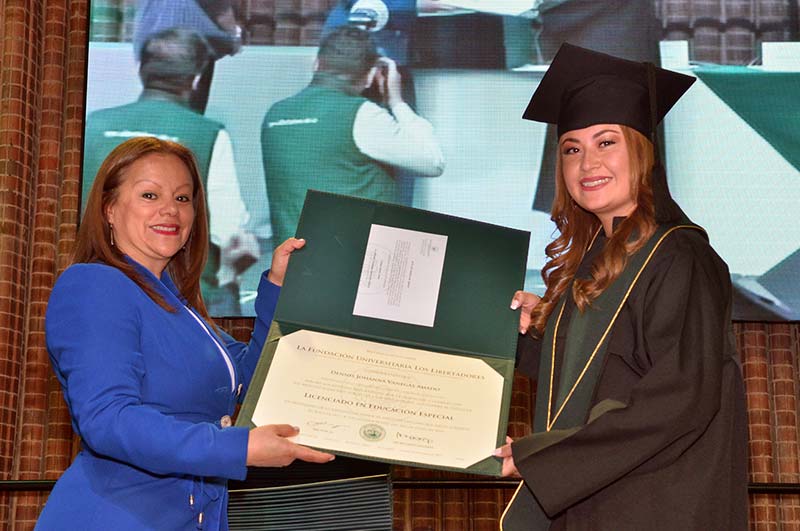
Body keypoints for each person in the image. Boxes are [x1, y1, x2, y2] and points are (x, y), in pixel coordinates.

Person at [494, 43, 748, 529]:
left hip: (653, 507)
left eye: (606, 142)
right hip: (596, 502)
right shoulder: (599, 260)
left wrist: (544, 457)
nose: (587, 163)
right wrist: (532, 333)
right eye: (572, 149)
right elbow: (597, 376)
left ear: (643, 151)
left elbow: (677, 398)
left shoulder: (679, 256)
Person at [36, 137, 334, 530]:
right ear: (109, 209)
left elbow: (251, 383)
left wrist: (277, 286)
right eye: (149, 195)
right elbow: (108, 419)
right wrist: (237, 447)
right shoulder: (94, 285)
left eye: (182, 198)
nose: (170, 210)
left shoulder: (181, 308)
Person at [83, 28, 255, 316]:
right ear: (197, 80)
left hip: (96, 292)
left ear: (142, 70)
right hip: (179, 303)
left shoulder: (93, 125)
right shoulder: (209, 134)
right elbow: (229, 235)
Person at [260, 26, 444, 246]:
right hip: (355, 260)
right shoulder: (362, 115)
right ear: (371, 76)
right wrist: (397, 102)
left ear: (316, 64)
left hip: (290, 259)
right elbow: (432, 162)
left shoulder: (275, 114)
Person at [133, 0, 243, 113]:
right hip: (193, 42)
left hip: (152, 40)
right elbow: (219, 10)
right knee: (191, 108)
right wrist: (234, 36)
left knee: (153, 94)